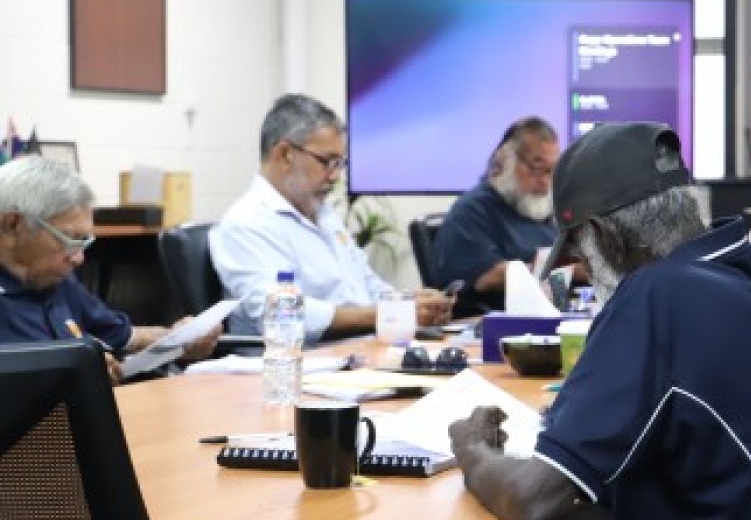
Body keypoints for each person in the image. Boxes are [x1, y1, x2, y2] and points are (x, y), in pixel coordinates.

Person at [448, 123, 751, 520]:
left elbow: (531, 498)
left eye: (579, 251)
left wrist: (472, 449)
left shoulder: (656, 294)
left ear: (603, 235)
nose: (584, 269)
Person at [211, 94, 450, 343]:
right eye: (327, 162)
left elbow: (366, 285)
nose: (335, 176)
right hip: (298, 366)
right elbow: (280, 313)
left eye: (340, 163)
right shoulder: (246, 223)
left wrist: (410, 303)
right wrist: (386, 314)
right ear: (285, 154)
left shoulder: (324, 214)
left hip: (361, 354)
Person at [0, 157, 220, 384]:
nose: (79, 258)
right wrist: (74, 375)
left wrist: (180, 341)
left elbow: (125, 338)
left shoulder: (53, 278)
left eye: (83, 243)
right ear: (13, 224)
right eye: (69, 240)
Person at [432, 117, 559, 317]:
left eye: (551, 171)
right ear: (503, 162)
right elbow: (486, 279)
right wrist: (564, 269)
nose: (545, 182)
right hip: (489, 325)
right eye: (536, 168)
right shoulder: (471, 211)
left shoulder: (543, 210)